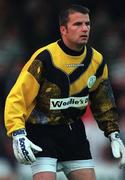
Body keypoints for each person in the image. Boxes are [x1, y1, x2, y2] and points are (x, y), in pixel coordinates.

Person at [4, 4, 125, 180]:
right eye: (78, 24)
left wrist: (114, 133)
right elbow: (17, 97)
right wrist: (18, 133)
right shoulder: (44, 58)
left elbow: (102, 100)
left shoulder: (97, 60)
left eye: (87, 24)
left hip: (74, 131)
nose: (84, 28)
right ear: (63, 30)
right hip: (41, 131)